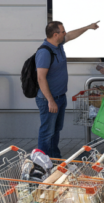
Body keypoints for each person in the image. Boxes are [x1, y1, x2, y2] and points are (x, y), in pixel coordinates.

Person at [35, 20, 99, 158]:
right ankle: (41, 163)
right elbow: (41, 78)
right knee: (47, 132)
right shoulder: (45, 52)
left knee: (55, 130)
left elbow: (71, 35)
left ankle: (54, 159)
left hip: (60, 97)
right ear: (55, 34)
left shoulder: (58, 45)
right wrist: (50, 101)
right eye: (62, 31)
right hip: (49, 100)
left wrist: (88, 27)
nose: (65, 33)